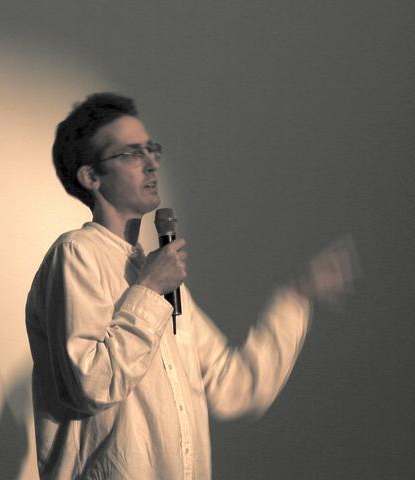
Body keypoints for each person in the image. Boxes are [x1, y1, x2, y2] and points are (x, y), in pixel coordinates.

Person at [25, 93, 355, 479]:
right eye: (131, 154)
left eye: (151, 149)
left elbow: (234, 386)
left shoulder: (159, 277)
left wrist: (296, 297)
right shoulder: (77, 253)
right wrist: (149, 290)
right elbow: (91, 384)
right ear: (91, 177)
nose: (151, 163)